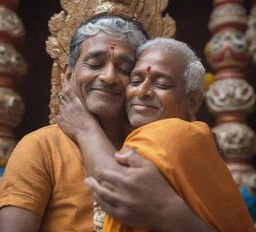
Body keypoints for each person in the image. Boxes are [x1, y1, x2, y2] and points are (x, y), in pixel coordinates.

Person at [0, 15, 215, 232]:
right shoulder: (41, 147)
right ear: (68, 75)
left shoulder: (152, 146)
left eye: (124, 69)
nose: (109, 77)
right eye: (95, 64)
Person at [58, 38, 255, 232]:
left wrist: (85, 128)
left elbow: (115, 186)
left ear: (193, 101)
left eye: (161, 84)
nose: (142, 91)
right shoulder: (194, 139)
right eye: (135, 81)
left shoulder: (175, 132)